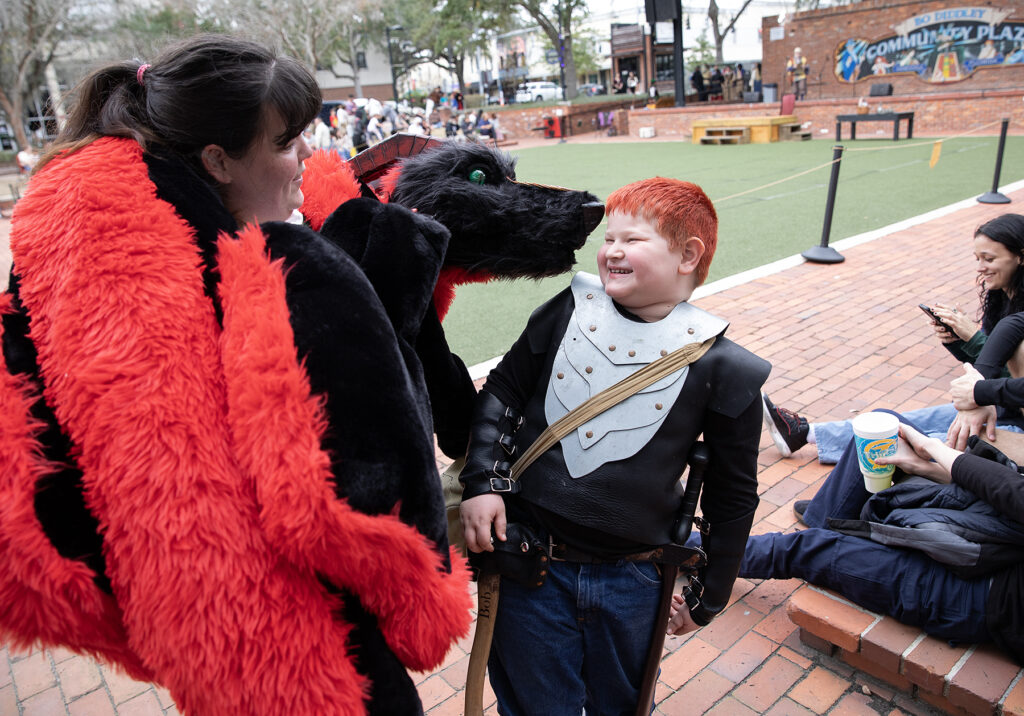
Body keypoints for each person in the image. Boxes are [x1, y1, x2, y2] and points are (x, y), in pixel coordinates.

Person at [2, 34, 470, 714]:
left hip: (198, 649)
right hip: (303, 655)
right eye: (285, 141)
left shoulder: (72, 239)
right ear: (217, 160)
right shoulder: (269, 269)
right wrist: (415, 596)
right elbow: (347, 489)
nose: (305, 155)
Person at [459, 177, 770, 714]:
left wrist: (710, 594)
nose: (612, 251)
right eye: (608, 239)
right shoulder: (566, 311)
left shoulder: (725, 368)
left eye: (633, 239)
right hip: (533, 564)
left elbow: (733, 495)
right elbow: (504, 392)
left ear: (688, 255)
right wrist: (483, 482)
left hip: (634, 581)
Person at [735, 417, 1024, 663]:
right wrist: (927, 466)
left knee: (805, 549)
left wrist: (933, 447)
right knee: (887, 430)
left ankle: (698, 549)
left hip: (987, 595)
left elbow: (1015, 494)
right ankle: (832, 528)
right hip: (998, 533)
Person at [765, 214, 1024, 461]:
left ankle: (853, 491)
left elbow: (1007, 379)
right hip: (1002, 403)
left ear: (1020, 257)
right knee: (902, 421)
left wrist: (973, 340)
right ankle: (806, 434)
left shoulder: (1018, 317)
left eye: (988, 259)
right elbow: (988, 369)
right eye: (977, 258)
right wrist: (957, 342)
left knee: (918, 441)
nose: (980, 268)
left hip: (1012, 413)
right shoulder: (1003, 296)